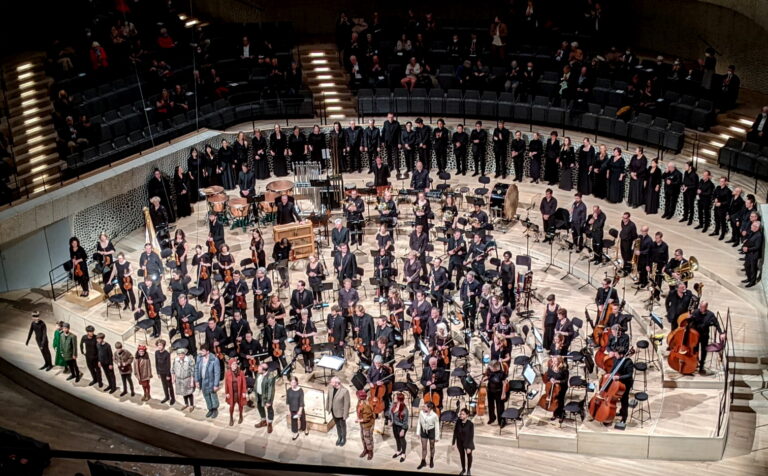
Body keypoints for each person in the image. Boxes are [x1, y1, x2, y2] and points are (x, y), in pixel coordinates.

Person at [689, 302, 723, 375]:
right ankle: (694, 364)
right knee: (695, 349)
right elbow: (690, 322)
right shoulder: (695, 312)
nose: (701, 308)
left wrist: (721, 333)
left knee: (704, 350)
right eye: (700, 306)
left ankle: (701, 366)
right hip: (695, 335)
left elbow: (716, 324)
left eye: (703, 307)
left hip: (704, 335)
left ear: (706, 307)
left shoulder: (710, 315)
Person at [195, 344, 221, 418]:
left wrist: (216, 385)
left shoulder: (214, 360)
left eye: (203, 351)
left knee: (213, 395)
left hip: (211, 381)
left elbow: (217, 373)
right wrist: (197, 381)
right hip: (203, 381)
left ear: (208, 351)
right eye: (201, 350)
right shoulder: (199, 358)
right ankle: (210, 409)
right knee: (206, 395)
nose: (201, 352)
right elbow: (196, 369)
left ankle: (215, 409)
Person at [326, 376, 351, 446]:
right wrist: (328, 408)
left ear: (337, 383)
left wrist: (345, 414)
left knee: (342, 426)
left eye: (332, 382)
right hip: (334, 411)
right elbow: (328, 398)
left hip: (341, 412)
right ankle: (339, 437)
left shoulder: (344, 391)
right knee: (337, 425)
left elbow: (347, 404)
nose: (330, 383)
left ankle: (343, 438)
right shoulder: (331, 388)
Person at [416, 401, 441, 470]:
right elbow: (419, 422)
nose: (423, 407)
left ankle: (431, 460)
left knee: (432, 446)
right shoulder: (421, 413)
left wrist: (437, 437)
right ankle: (423, 461)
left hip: (431, 431)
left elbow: (437, 427)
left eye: (424, 406)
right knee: (424, 447)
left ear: (429, 408)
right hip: (423, 431)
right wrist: (418, 432)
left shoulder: (434, 416)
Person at [544, 356, 569, 423]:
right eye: (553, 361)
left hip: (562, 387)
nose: (554, 363)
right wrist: (550, 379)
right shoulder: (550, 367)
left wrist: (557, 381)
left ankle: (561, 415)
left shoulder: (564, 370)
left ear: (560, 362)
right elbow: (548, 376)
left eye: (555, 361)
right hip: (553, 386)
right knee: (554, 400)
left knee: (560, 400)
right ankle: (555, 414)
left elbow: (565, 381)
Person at [453, 407, 475, 475]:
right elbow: (455, 432)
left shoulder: (470, 424)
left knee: (469, 457)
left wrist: (469, 447)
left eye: (463, 414)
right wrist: (453, 443)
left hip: (467, 443)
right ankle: (463, 469)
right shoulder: (458, 422)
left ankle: (468, 470)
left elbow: (471, 436)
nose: (461, 415)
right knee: (462, 456)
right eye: (460, 414)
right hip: (459, 442)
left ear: (467, 415)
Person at [389, 392, 409, 462]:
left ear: (398, 399)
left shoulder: (405, 409)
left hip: (401, 426)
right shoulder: (394, 404)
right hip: (395, 425)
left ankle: (403, 454)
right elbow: (391, 413)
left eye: (395, 397)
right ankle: (398, 451)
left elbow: (405, 421)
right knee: (397, 438)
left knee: (402, 439)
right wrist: (391, 421)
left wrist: (403, 430)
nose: (394, 398)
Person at [356, 389, 375, 459]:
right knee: (362, 437)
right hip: (362, 423)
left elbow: (367, 418)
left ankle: (370, 451)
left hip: (367, 424)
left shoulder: (367, 405)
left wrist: (359, 420)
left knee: (368, 438)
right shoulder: (359, 402)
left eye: (358, 396)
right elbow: (359, 411)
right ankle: (365, 449)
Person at [743, 221, 763, 288]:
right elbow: (750, 240)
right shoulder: (753, 232)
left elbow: (757, 247)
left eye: (753, 226)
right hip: (749, 254)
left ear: (756, 227)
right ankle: (748, 278)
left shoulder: (759, 235)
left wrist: (748, 249)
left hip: (754, 254)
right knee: (746, 266)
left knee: (753, 269)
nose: (751, 226)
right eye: (752, 225)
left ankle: (752, 282)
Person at [155, 339, 174, 405]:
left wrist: (168, 375)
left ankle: (173, 398)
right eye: (158, 345)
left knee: (170, 386)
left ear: (163, 346)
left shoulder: (167, 354)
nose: (159, 346)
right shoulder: (156, 352)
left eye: (160, 345)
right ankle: (167, 397)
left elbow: (168, 365)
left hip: (166, 373)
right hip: (161, 372)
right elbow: (156, 363)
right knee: (164, 386)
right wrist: (158, 373)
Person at [680, 161, 699, 225]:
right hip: (685, 192)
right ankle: (685, 217)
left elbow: (695, 185)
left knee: (691, 206)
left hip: (691, 193)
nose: (685, 167)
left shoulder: (694, 175)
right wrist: (683, 185)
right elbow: (684, 181)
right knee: (685, 205)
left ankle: (690, 220)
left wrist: (687, 187)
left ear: (690, 167)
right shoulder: (685, 172)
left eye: (686, 166)